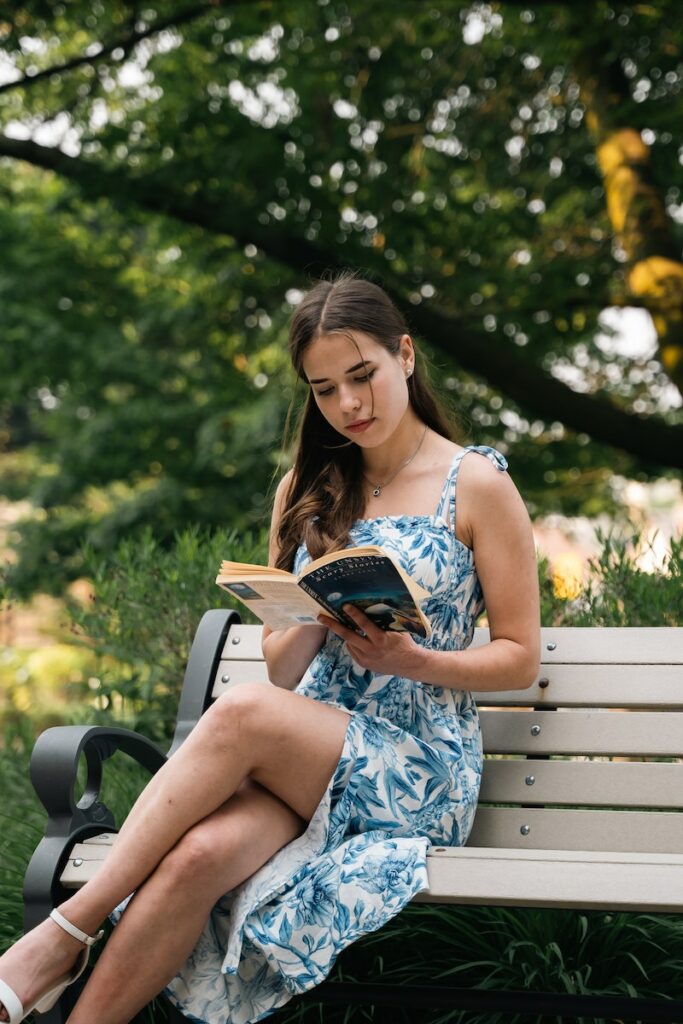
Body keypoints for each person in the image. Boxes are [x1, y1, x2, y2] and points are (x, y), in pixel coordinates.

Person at [0, 272, 540, 1024]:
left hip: (416, 768)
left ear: (405, 356)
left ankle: (62, 934)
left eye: (362, 376)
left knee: (242, 712)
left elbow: (519, 656)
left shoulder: (475, 483)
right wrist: (318, 601)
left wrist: (416, 662)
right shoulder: (308, 488)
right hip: (307, 755)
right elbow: (284, 670)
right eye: (323, 389)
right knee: (194, 859)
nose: (348, 405)